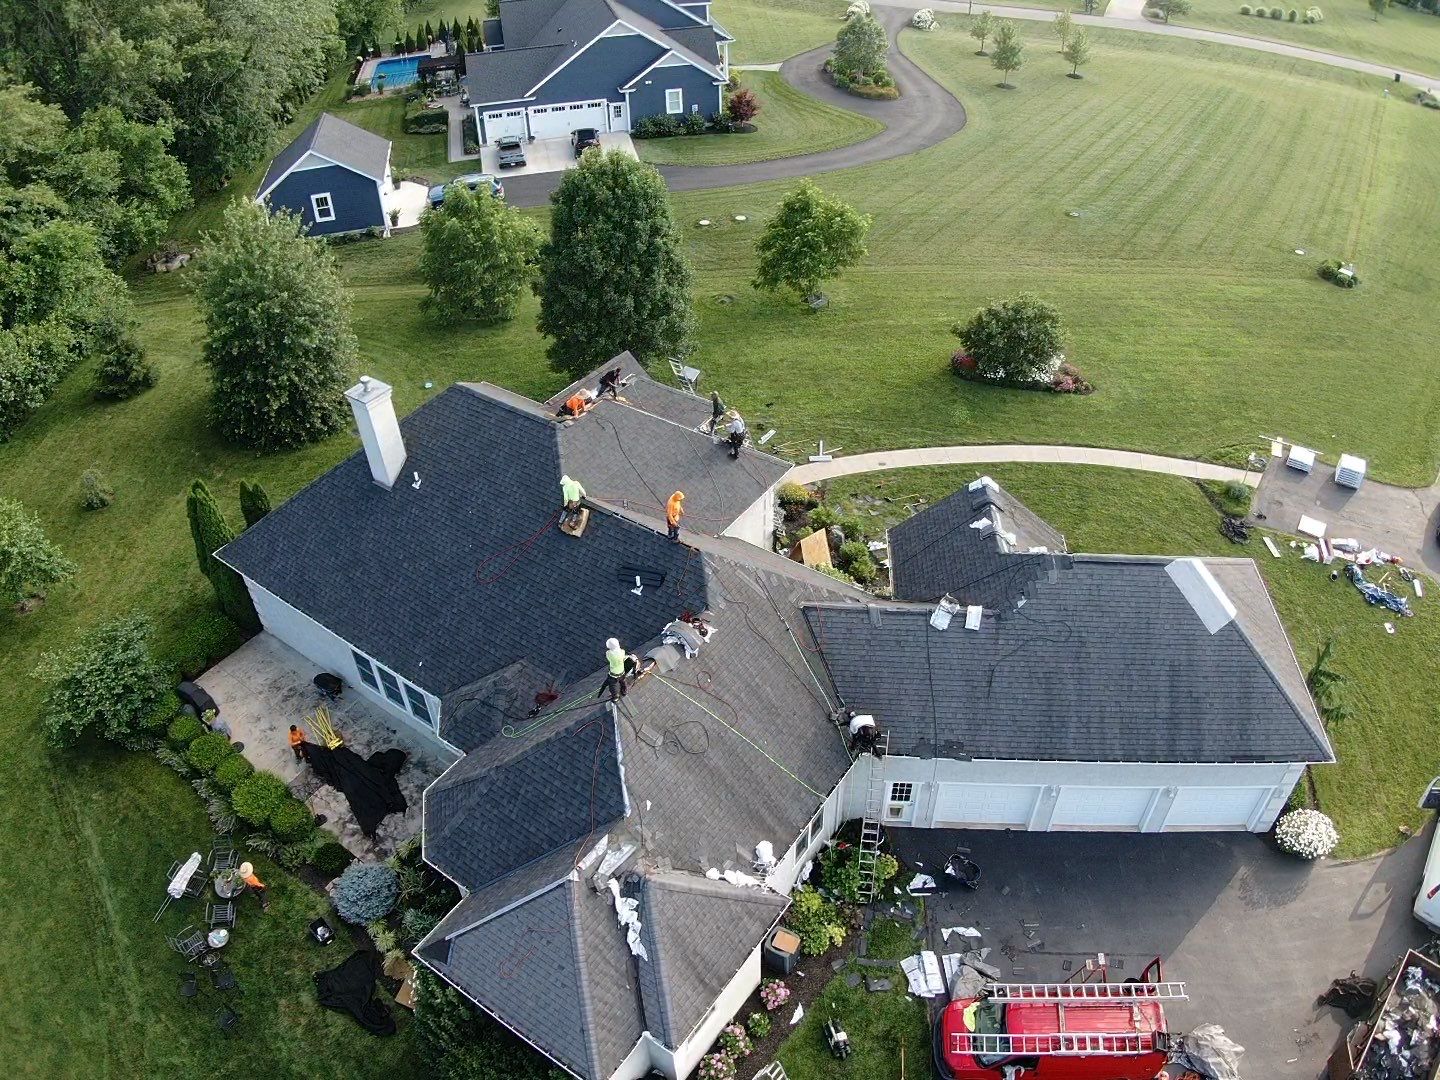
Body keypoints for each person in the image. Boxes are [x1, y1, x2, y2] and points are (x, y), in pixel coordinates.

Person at [599, 637, 628, 702]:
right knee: (623, 681)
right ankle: (624, 691)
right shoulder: (622, 651)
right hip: (622, 672)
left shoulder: (609, 653)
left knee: (613, 686)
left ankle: (615, 697)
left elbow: (609, 658)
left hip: (613, 674)